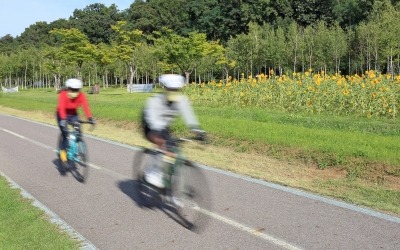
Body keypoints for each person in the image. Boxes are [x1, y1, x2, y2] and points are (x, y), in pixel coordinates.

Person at [141, 74, 206, 189]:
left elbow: (188, 115)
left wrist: (198, 131)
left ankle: (169, 183)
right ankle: (152, 171)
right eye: (170, 89)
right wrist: (160, 136)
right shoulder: (154, 101)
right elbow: (152, 119)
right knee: (162, 143)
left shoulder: (181, 100)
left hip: (164, 126)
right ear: (165, 88)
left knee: (173, 152)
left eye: (176, 89)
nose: (173, 92)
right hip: (150, 125)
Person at [56, 78, 95, 163]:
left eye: (76, 90)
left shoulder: (81, 95)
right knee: (65, 135)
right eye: (72, 90)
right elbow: (61, 107)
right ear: (68, 88)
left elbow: (85, 106)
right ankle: (63, 154)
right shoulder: (63, 94)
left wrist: (90, 118)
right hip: (61, 114)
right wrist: (63, 119)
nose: (74, 92)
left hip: (73, 114)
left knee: (78, 131)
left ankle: (77, 148)